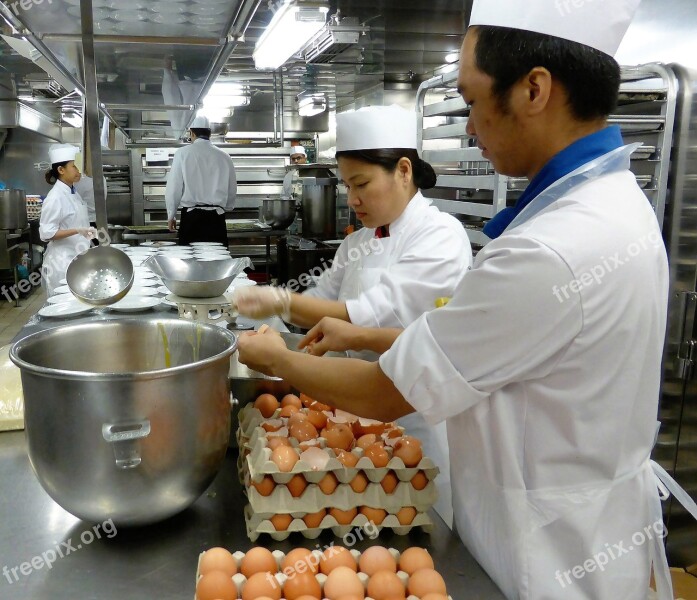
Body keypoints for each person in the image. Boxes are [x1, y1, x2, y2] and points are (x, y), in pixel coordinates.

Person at [235, 1, 686, 598]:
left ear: (534, 89)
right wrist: (361, 337)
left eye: (472, 101)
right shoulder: (611, 206)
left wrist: (277, 359)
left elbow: (386, 393)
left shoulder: (551, 248)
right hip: (575, 515)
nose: (470, 126)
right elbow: (495, 349)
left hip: (549, 555)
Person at [234, 105, 473, 527]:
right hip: (346, 416)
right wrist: (278, 320)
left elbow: (364, 315)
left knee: (407, 523)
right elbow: (321, 301)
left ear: (403, 171)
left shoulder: (441, 236)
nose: (353, 199)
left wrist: (279, 301)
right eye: (346, 186)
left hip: (411, 423)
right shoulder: (358, 241)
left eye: (361, 183)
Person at [165, 115, 237, 246]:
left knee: (190, 262)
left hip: (192, 219)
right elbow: (232, 190)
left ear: (191, 133)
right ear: (209, 134)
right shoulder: (225, 157)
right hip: (216, 220)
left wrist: (171, 215)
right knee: (217, 262)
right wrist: (225, 207)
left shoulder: (182, 153)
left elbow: (174, 188)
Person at [39, 144, 95, 297]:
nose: (78, 171)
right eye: (74, 166)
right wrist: (77, 230)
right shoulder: (55, 197)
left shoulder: (72, 192)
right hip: (62, 264)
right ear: (61, 170)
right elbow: (47, 233)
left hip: (77, 258)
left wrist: (87, 234)